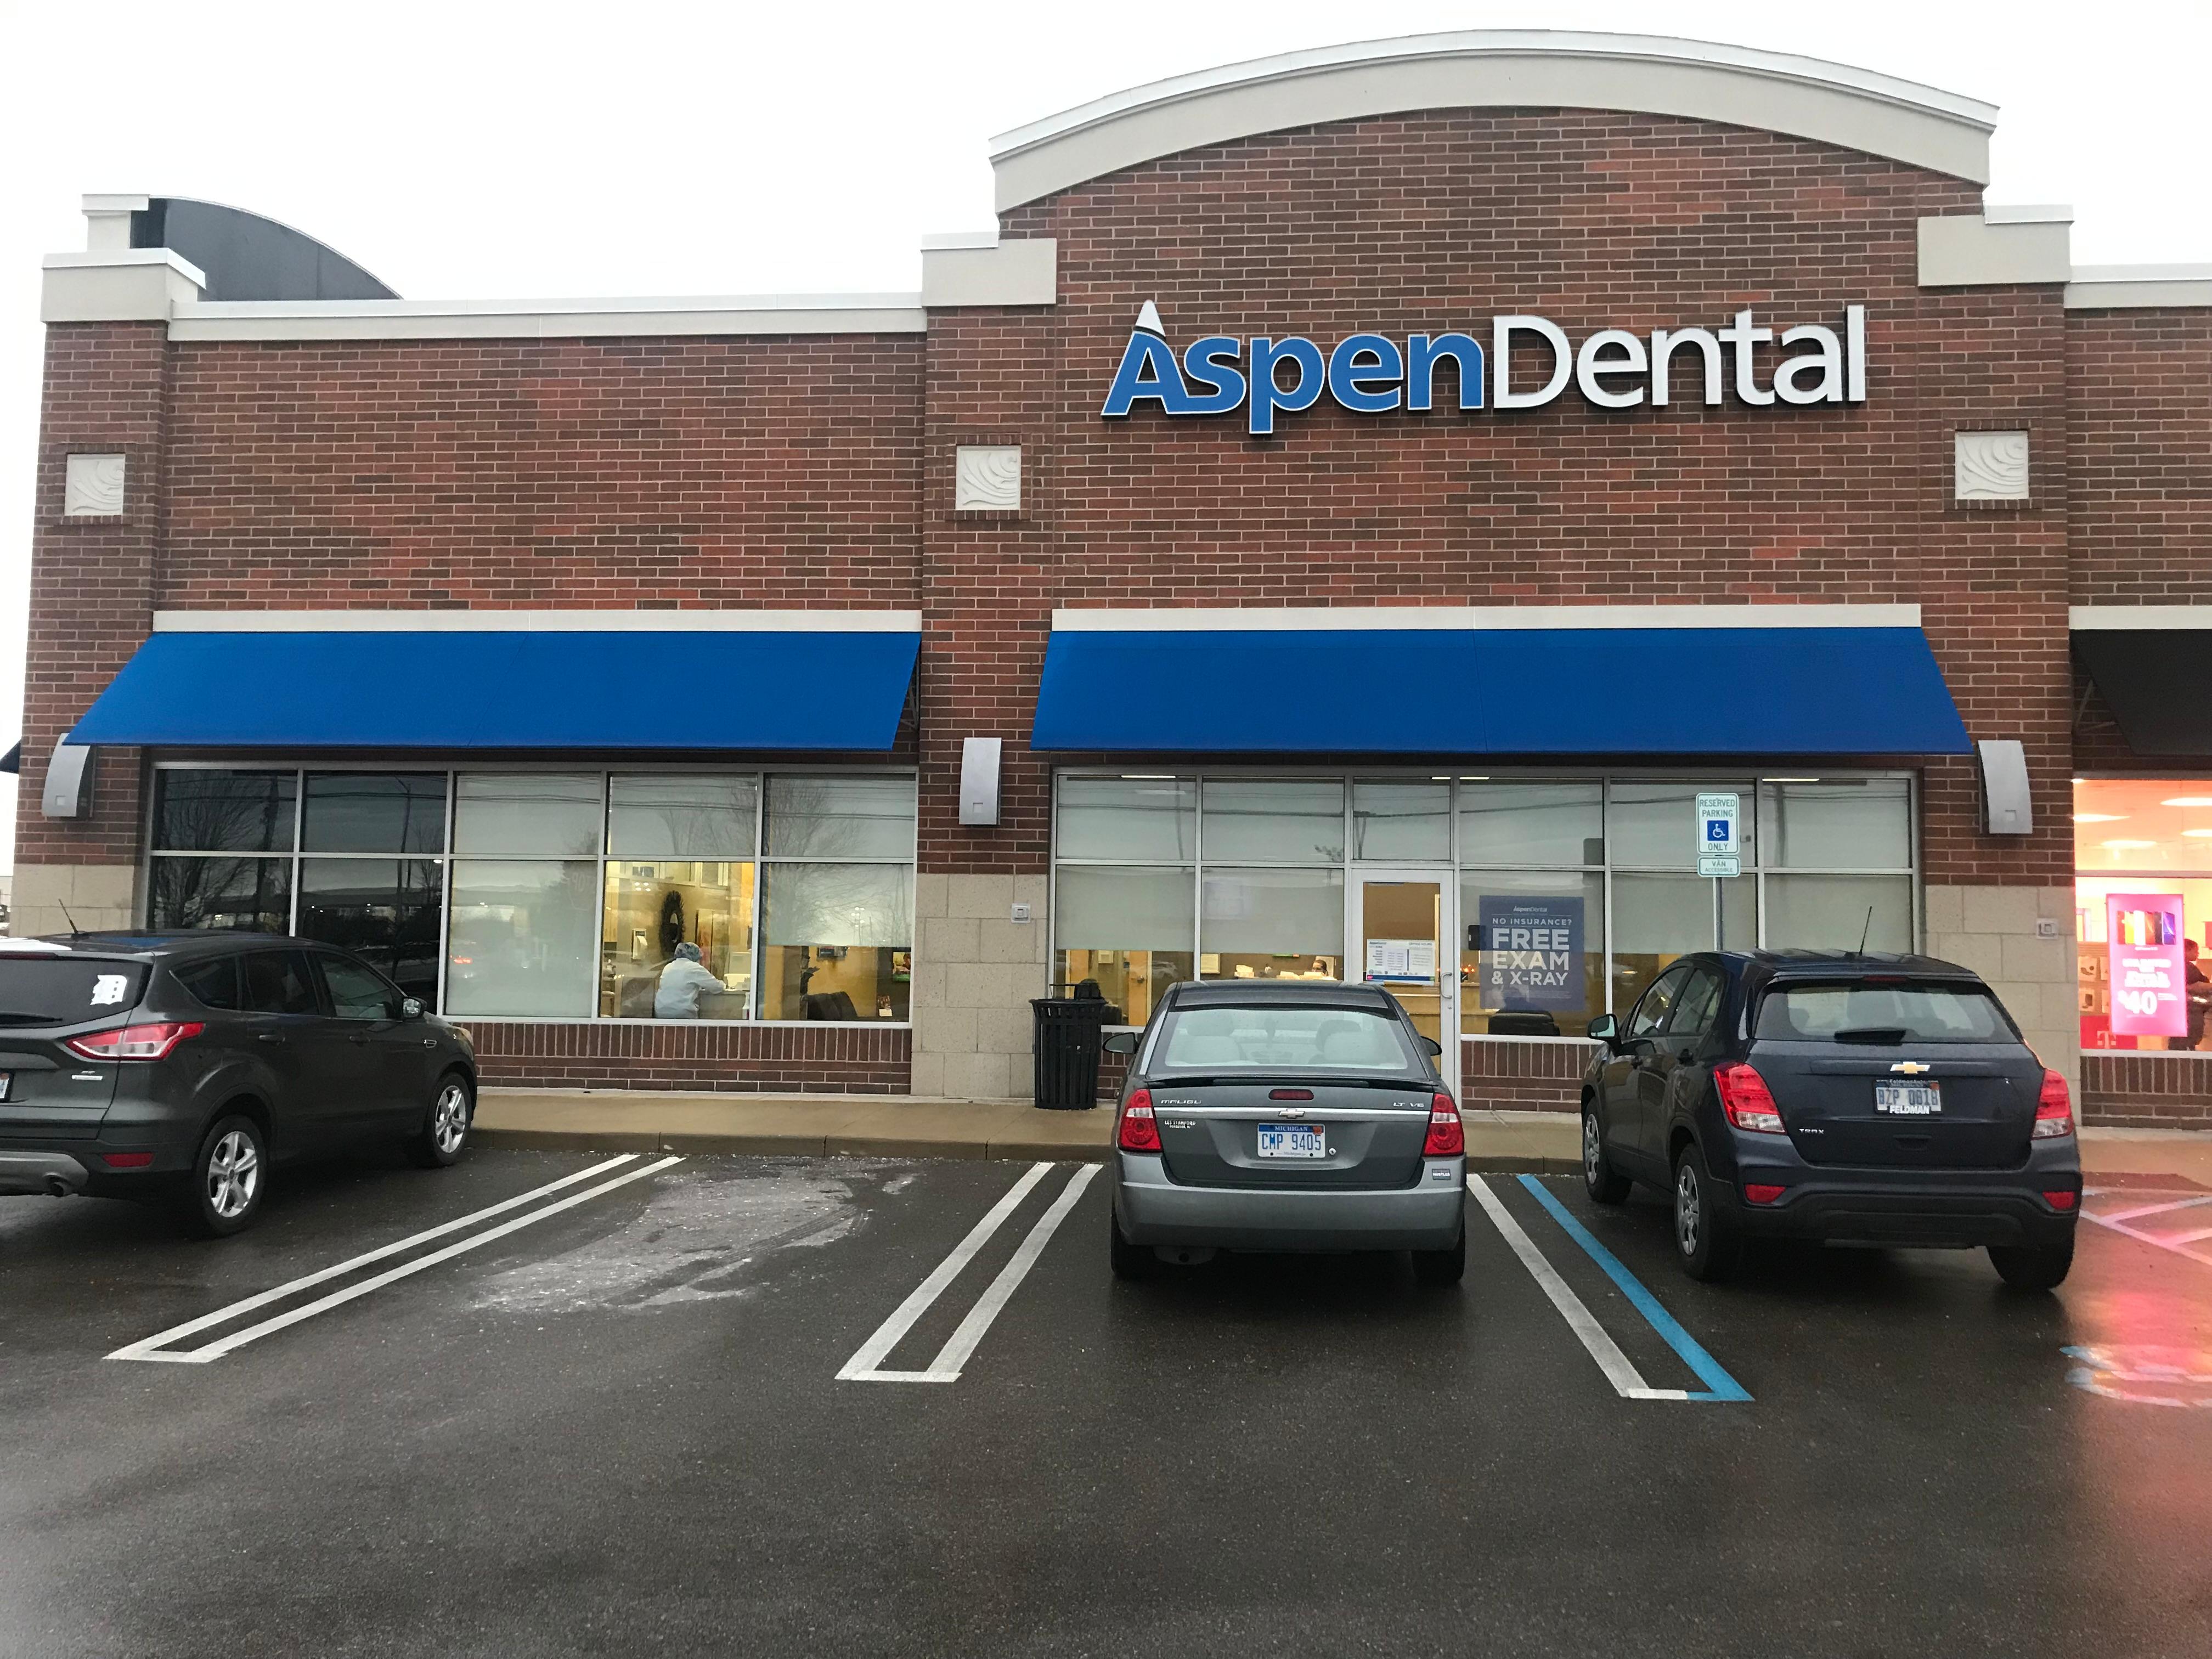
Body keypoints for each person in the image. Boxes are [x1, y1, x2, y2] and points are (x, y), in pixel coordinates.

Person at [654, 941, 725, 1019]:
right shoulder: (694, 967)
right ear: (695, 955)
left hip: (661, 1012)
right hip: (682, 1013)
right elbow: (716, 987)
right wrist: (724, 985)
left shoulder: (668, 967)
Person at [2186, 939, 2210, 1051]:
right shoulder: (2188, 967)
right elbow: (2195, 985)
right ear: (2187, 950)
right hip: (2193, 1009)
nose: (2198, 954)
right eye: (2196, 951)